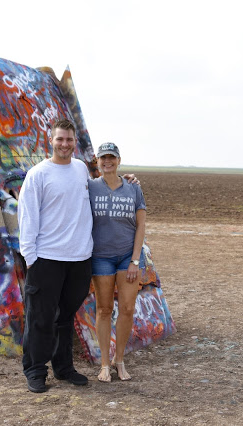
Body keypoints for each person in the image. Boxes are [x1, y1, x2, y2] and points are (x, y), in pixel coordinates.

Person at [17, 119, 137, 393]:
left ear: (74, 143)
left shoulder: (81, 169)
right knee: (41, 317)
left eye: (69, 140)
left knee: (66, 316)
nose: (65, 144)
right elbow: (27, 219)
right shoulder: (38, 175)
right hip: (47, 258)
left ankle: (63, 368)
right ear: (52, 140)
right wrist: (31, 259)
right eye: (60, 139)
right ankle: (35, 370)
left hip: (79, 259)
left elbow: (104, 185)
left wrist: (128, 180)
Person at [89, 142, 146, 382]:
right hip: (101, 257)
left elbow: (141, 225)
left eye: (111, 158)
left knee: (127, 308)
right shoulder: (90, 188)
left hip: (128, 257)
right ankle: (104, 364)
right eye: (103, 158)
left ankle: (119, 360)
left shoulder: (133, 189)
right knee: (104, 309)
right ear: (98, 162)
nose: (107, 162)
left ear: (119, 160)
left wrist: (135, 260)